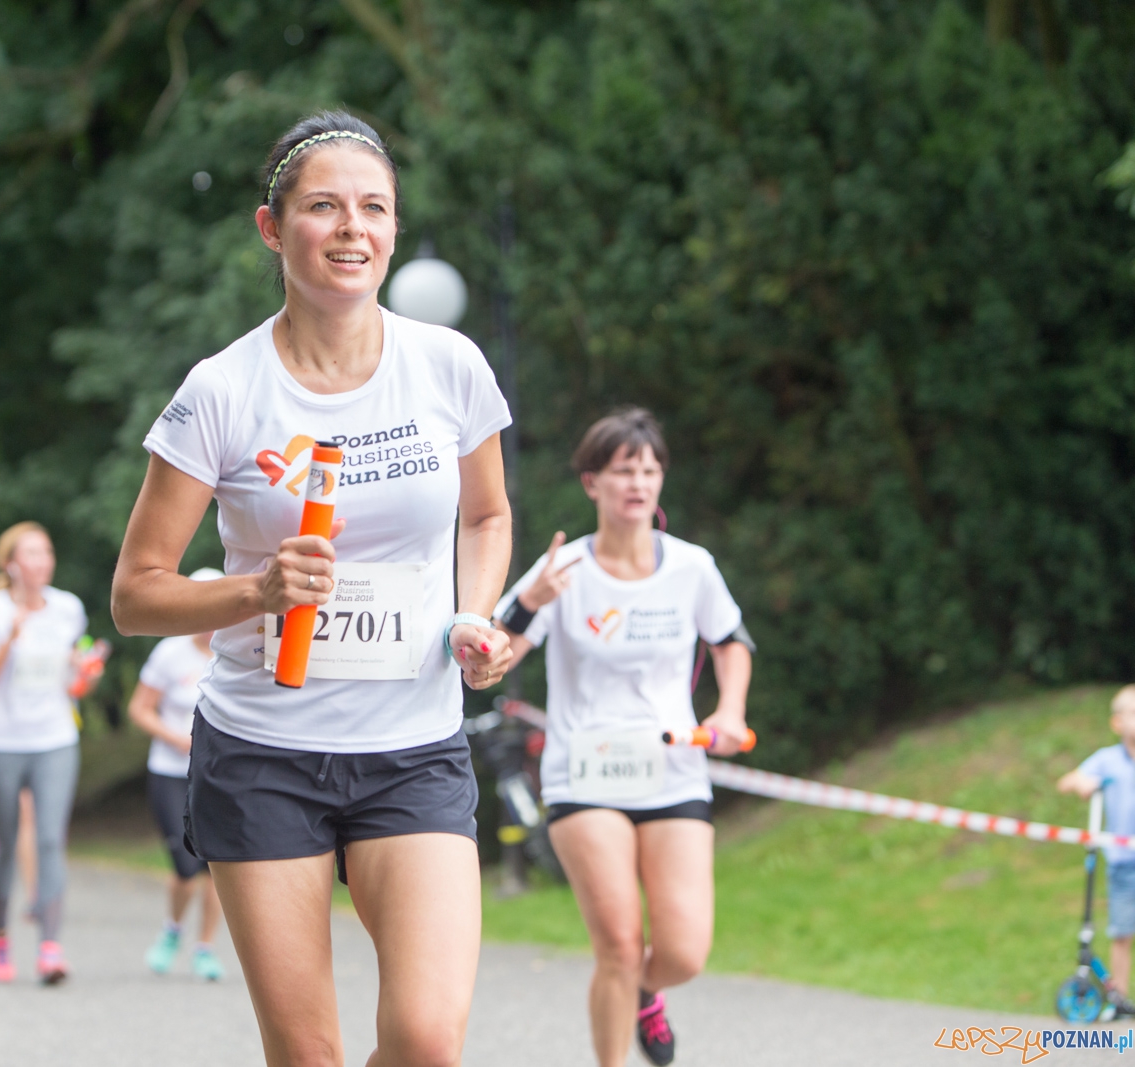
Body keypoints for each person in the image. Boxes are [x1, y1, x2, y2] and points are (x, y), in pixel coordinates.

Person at [112, 110, 514, 1066]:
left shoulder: (446, 365)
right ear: (270, 226)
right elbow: (135, 593)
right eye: (323, 207)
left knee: (425, 1039)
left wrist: (476, 614)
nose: (352, 229)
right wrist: (254, 592)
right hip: (265, 753)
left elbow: (487, 516)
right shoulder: (221, 390)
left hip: (412, 747)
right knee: (308, 1058)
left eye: (373, 208)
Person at [493, 408, 754, 1067]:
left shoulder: (692, 567)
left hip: (672, 768)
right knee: (616, 940)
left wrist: (729, 711)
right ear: (592, 483)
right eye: (622, 470)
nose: (638, 482)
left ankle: (645, 990)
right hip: (585, 769)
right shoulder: (563, 568)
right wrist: (532, 600)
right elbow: (492, 654)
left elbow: (730, 642)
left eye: (649, 469)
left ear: (661, 479)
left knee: (686, 952)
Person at [0, 522, 101, 986]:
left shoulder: (68, 608)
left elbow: (75, 673)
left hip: (54, 737)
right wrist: (9, 640)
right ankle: (0, 934)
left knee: (49, 840)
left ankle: (50, 946)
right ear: (10, 564)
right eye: (31, 554)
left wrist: (84, 671)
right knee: (4, 843)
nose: (42, 561)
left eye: (46, 553)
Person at [128, 566, 225, 981]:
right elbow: (138, 709)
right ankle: (172, 930)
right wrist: (175, 738)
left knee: (220, 865)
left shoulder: (238, 647)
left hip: (219, 772)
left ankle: (204, 947)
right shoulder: (170, 651)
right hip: (170, 771)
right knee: (185, 867)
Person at [1057, 684, 1135, 1018]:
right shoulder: (1108, 760)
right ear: (1117, 723)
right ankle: (1119, 999)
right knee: (1122, 932)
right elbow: (1068, 780)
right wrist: (1082, 782)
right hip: (1122, 863)